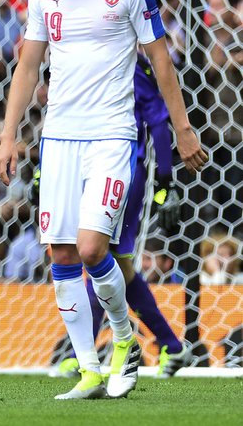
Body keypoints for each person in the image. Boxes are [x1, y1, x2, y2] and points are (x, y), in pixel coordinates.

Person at [0, 0, 207, 400]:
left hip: (112, 135)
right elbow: (27, 68)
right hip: (59, 139)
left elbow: (161, 61)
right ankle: (90, 368)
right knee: (62, 253)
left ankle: (126, 340)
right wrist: (9, 134)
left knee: (95, 249)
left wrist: (183, 129)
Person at [48, 57, 192, 379]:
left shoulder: (125, 63)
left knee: (100, 257)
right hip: (89, 168)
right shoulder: (85, 64)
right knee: (117, 266)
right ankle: (171, 344)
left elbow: (157, 117)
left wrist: (165, 182)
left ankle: (80, 355)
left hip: (125, 170)